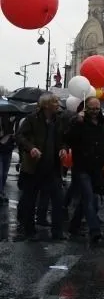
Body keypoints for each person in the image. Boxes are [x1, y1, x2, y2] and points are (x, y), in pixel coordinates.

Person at [15, 93, 68, 241]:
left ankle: (57, 233)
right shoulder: (32, 119)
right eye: (55, 102)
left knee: (58, 200)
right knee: (30, 200)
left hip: (53, 167)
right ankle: (29, 231)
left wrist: (64, 148)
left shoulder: (59, 120)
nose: (58, 104)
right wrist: (31, 148)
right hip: (34, 167)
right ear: (46, 105)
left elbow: (64, 138)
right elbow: (20, 136)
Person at [65, 96, 104, 242]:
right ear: (85, 108)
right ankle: (95, 230)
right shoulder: (79, 122)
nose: (95, 111)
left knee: (88, 199)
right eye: (92, 109)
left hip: (96, 167)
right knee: (89, 197)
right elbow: (69, 138)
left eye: (97, 109)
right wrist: (77, 122)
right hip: (82, 166)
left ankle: (74, 225)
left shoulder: (102, 122)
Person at [0, 115, 16, 205]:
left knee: (4, 173)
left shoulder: (11, 115)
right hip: (3, 148)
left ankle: (1, 191)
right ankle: (1, 192)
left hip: (8, 148)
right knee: (1, 173)